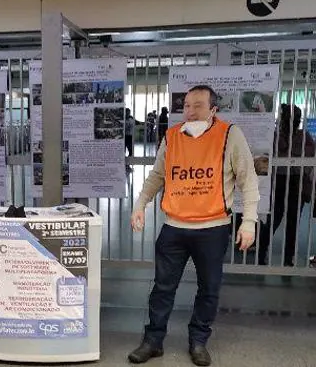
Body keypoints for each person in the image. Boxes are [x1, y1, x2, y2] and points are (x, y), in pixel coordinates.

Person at [128, 85, 259, 366]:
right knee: (162, 288)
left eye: (198, 105)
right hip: (174, 227)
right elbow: (156, 176)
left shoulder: (229, 135)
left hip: (213, 228)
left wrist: (249, 222)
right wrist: (140, 204)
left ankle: (198, 341)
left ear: (213, 109)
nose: (190, 111)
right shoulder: (172, 136)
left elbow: (248, 181)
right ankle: (153, 341)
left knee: (209, 289)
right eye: (186, 105)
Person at [258, 104, 315, 266]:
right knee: (285, 221)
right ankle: (284, 258)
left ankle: (266, 255)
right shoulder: (300, 137)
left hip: (287, 181)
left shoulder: (279, 136)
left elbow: (309, 156)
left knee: (276, 220)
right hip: (287, 181)